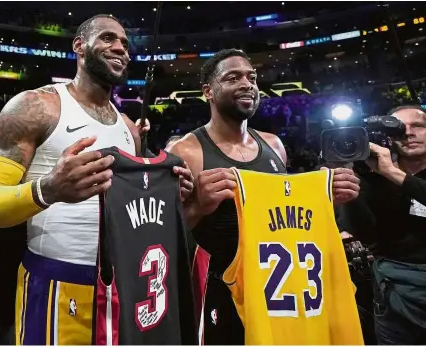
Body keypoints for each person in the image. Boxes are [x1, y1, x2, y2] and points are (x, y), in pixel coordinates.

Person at [0, 14, 193, 345]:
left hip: (121, 284)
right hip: (53, 279)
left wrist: (175, 193)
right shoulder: (35, 107)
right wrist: (48, 190)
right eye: (107, 39)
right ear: (79, 46)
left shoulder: (131, 129)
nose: (120, 48)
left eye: (125, 45)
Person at [167, 49, 361, 344]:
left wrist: (323, 196)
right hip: (220, 289)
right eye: (233, 78)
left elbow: (284, 213)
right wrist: (197, 206)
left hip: (278, 290)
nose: (247, 84)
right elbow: (166, 237)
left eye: (252, 77)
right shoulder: (186, 151)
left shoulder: (274, 145)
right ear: (208, 91)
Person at [343, 105, 426, 344]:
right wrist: (352, 182)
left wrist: (392, 173)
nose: (408, 133)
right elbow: (364, 232)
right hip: (395, 295)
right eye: (400, 127)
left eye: (418, 126)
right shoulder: (376, 177)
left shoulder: (388, 173)